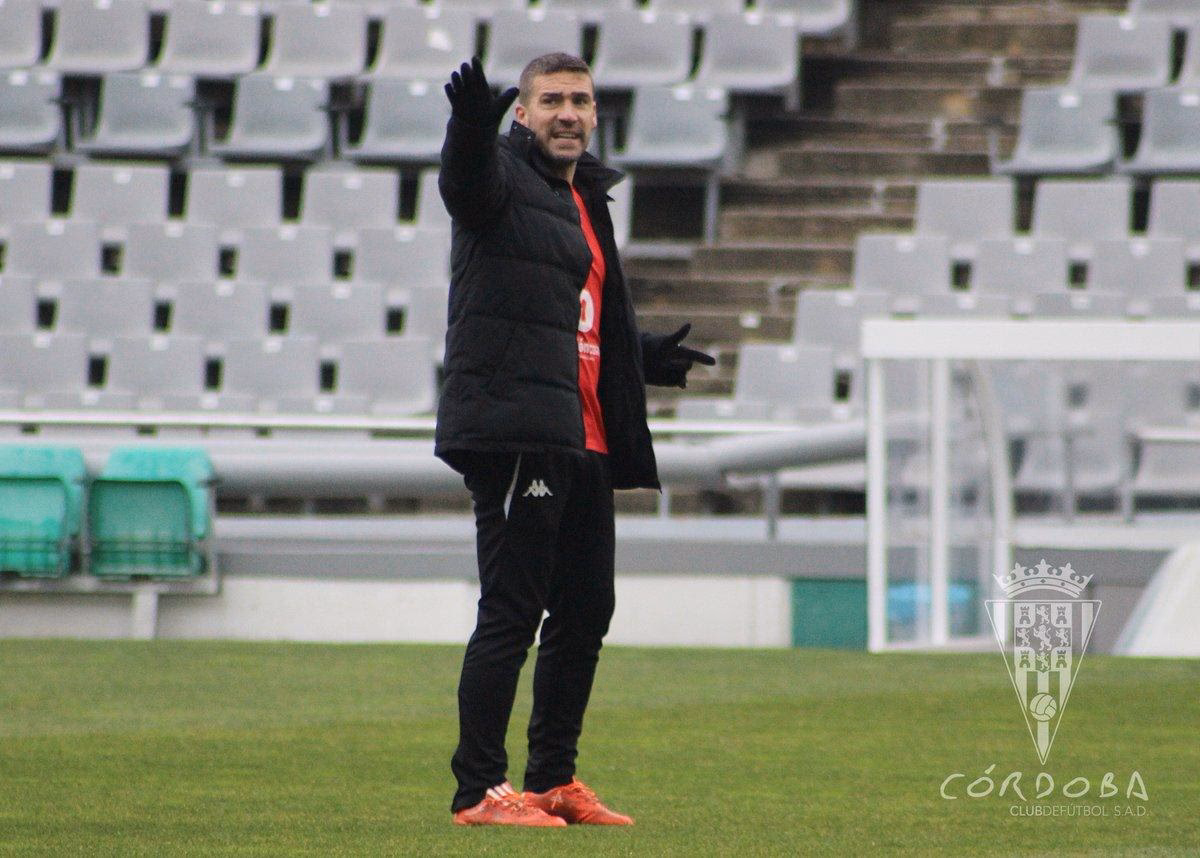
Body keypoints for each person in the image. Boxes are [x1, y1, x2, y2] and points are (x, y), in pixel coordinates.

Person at [436, 54, 715, 827]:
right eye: (551, 100)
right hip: (519, 423)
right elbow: (464, 188)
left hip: (583, 427)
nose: (568, 112)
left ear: (596, 115)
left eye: (580, 101)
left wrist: (642, 353)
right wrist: (467, 128)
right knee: (513, 610)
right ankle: (480, 791)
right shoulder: (498, 172)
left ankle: (553, 779)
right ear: (521, 114)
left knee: (587, 609)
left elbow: (584, 309)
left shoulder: (587, 194)